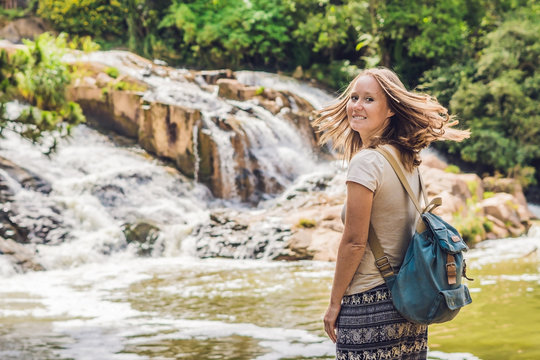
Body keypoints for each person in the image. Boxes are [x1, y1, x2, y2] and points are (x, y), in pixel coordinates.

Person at [313, 67, 469, 359]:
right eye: (354, 97)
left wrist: (334, 304)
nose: (357, 105)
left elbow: (354, 242)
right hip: (408, 304)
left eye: (369, 99)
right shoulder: (408, 158)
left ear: (390, 111)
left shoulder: (367, 162)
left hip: (367, 303)